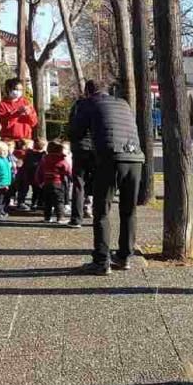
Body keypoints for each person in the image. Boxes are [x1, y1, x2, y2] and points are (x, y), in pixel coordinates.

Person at [69, 80, 145, 275]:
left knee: (101, 210)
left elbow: (76, 133)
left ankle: (101, 261)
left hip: (111, 158)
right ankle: (125, 256)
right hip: (136, 158)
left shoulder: (88, 103)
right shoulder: (123, 103)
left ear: (88, 91)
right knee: (129, 210)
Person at [67, 81, 99, 227]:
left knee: (79, 183)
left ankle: (76, 218)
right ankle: (94, 212)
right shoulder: (102, 105)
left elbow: (72, 127)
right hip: (97, 148)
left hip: (80, 147)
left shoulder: (79, 105)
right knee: (98, 182)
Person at [36, 140, 72, 224]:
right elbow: (68, 170)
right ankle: (60, 218)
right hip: (58, 182)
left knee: (47, 201)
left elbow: (39, 171)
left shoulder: (44, 159)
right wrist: (71, 178)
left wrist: (39, 182)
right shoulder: (61, 159)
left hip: (46, 183)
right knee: (59, 201)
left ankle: (47, 218)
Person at [15, 138, 45, 210]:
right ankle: (36, 203)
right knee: (36, 190)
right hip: (37, 175)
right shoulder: (43, 154)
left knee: (23, 190)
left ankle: (21, 202)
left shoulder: (27, 153)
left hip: (27, 174)